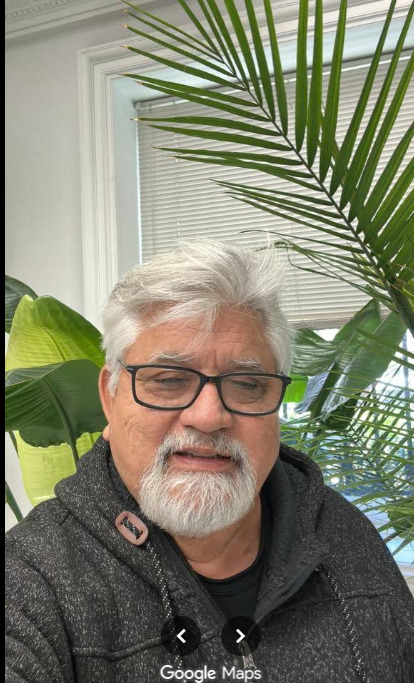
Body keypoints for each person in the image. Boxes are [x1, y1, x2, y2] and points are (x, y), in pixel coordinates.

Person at [5, 241, 414, 683]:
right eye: (168, 380)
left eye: (247, 384)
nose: (208, 416)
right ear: (110, 396)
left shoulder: (343, 534)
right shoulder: (31, 577)